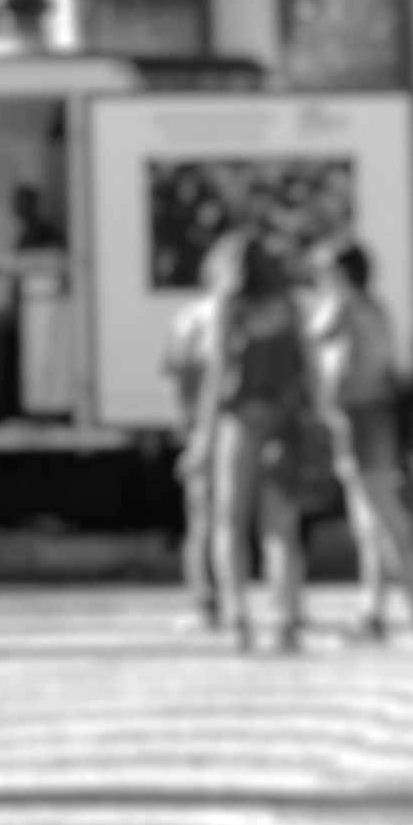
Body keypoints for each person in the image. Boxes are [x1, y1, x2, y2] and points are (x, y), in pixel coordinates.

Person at [305, 237, 413, 643]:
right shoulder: (376, 307)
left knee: (383, 516)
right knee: (372, 522)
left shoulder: (343, 305)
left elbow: (313, 339)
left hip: (359, 418)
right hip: (379, 415)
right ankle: (375, 611)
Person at [197, 229, 312, 653]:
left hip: (239, 423)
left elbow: (214, 378)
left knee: (229, 523)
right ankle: (285, 616)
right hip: (284, 422)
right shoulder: (290, 307)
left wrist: (201, 439)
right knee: (280, 530)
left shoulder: (230, 309)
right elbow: (310, 369)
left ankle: (238, 615)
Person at [163, 270, 228, 631]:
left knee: (203, 520)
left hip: (204, 430)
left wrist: (187, 428)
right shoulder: (259, 313)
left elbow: (175, 375)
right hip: (242, 428)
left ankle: (207, 605)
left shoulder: (190, 318)